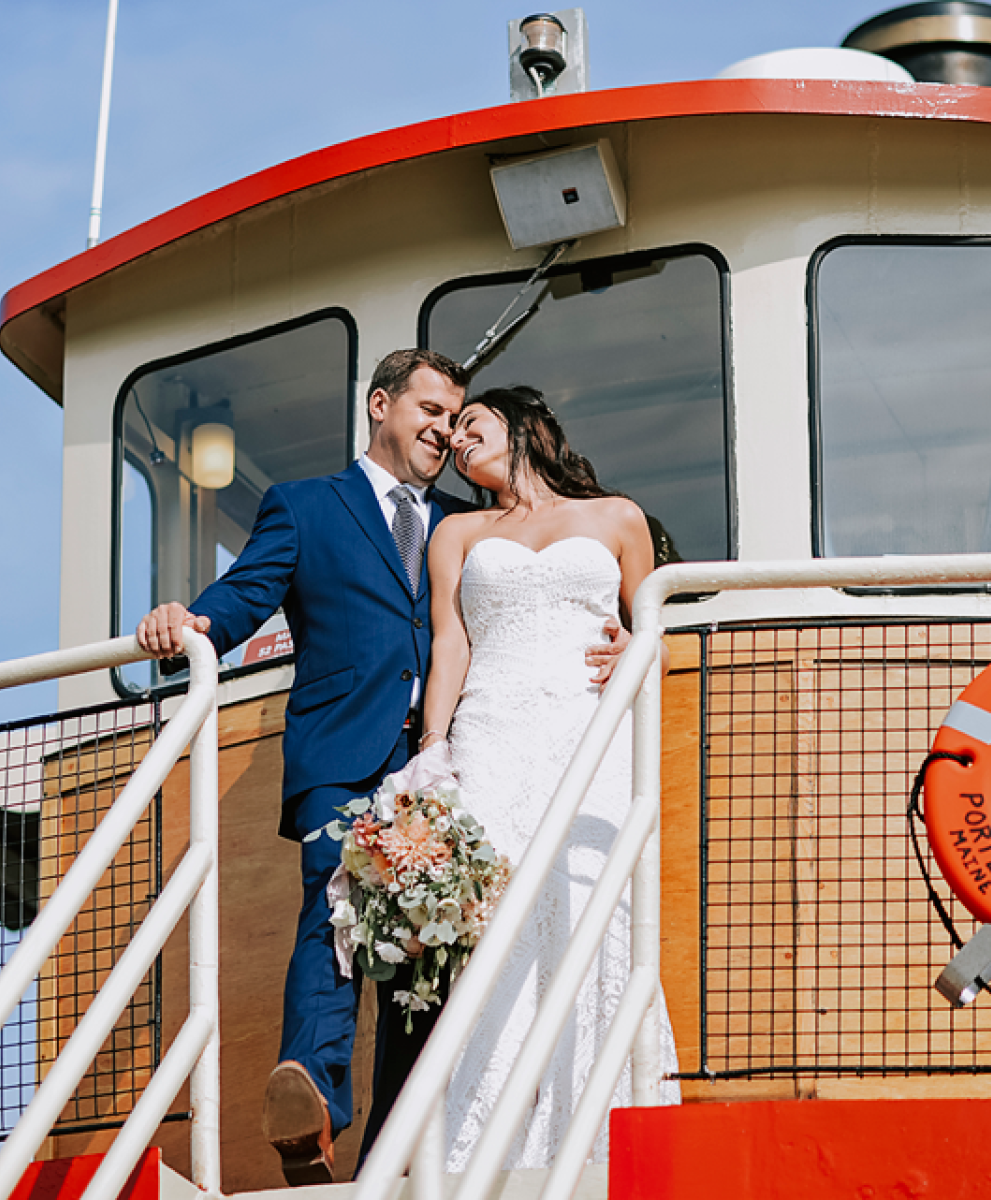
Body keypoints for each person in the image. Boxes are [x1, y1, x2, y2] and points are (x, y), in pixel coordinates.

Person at [135, 353, 627, 1184]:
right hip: (343, 752)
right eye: (432, 409)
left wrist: (618, 633)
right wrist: (190, 621)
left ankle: (398, 1145)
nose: (446, 428)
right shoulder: (305, 506)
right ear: (380, 406)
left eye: (458, 416)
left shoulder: (462, 525)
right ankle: (313, 1109)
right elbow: (248, 593)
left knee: (423, 958)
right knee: (335, 902)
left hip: (445, 756)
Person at [421, 385, 681, 1171]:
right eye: (453, 436)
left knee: (592, 908)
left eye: (473, 424)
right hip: (492, 733)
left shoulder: (617, 518)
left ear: (523, 427)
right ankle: (484, 1144)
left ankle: (602, 1124)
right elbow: (451, 646)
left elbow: (655, 630)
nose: (460, 441)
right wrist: (435, 746)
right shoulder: (457, 532)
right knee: (498, 921)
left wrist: (637, 646)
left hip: (584, 729)